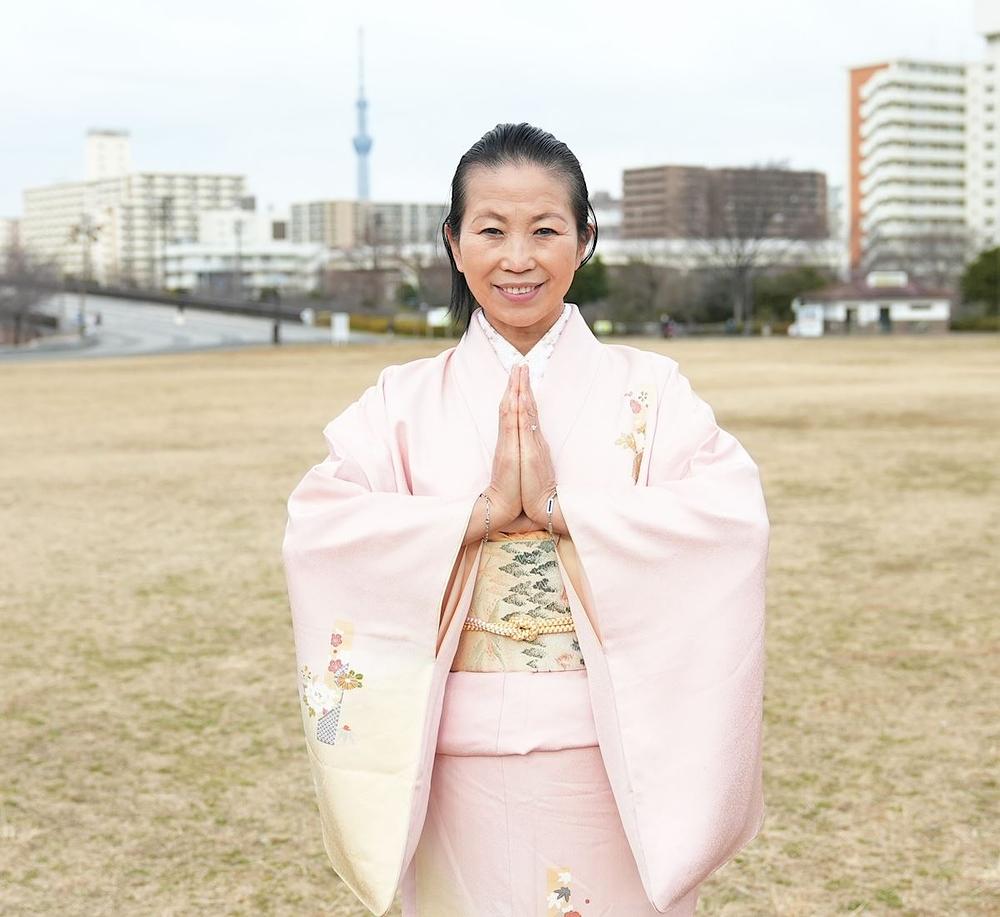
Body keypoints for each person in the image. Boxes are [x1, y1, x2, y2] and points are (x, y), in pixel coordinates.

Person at [281, 123, 770, 917]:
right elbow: (318, 527)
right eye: (491, 230)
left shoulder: (653, 394)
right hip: (451, 755)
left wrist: (557, 511)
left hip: (609, 752)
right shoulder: (398, 403)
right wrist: (472, 517)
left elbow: (730, 520)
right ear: (453, 241)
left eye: (545, 230)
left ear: (585, 239)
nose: (518, 258)